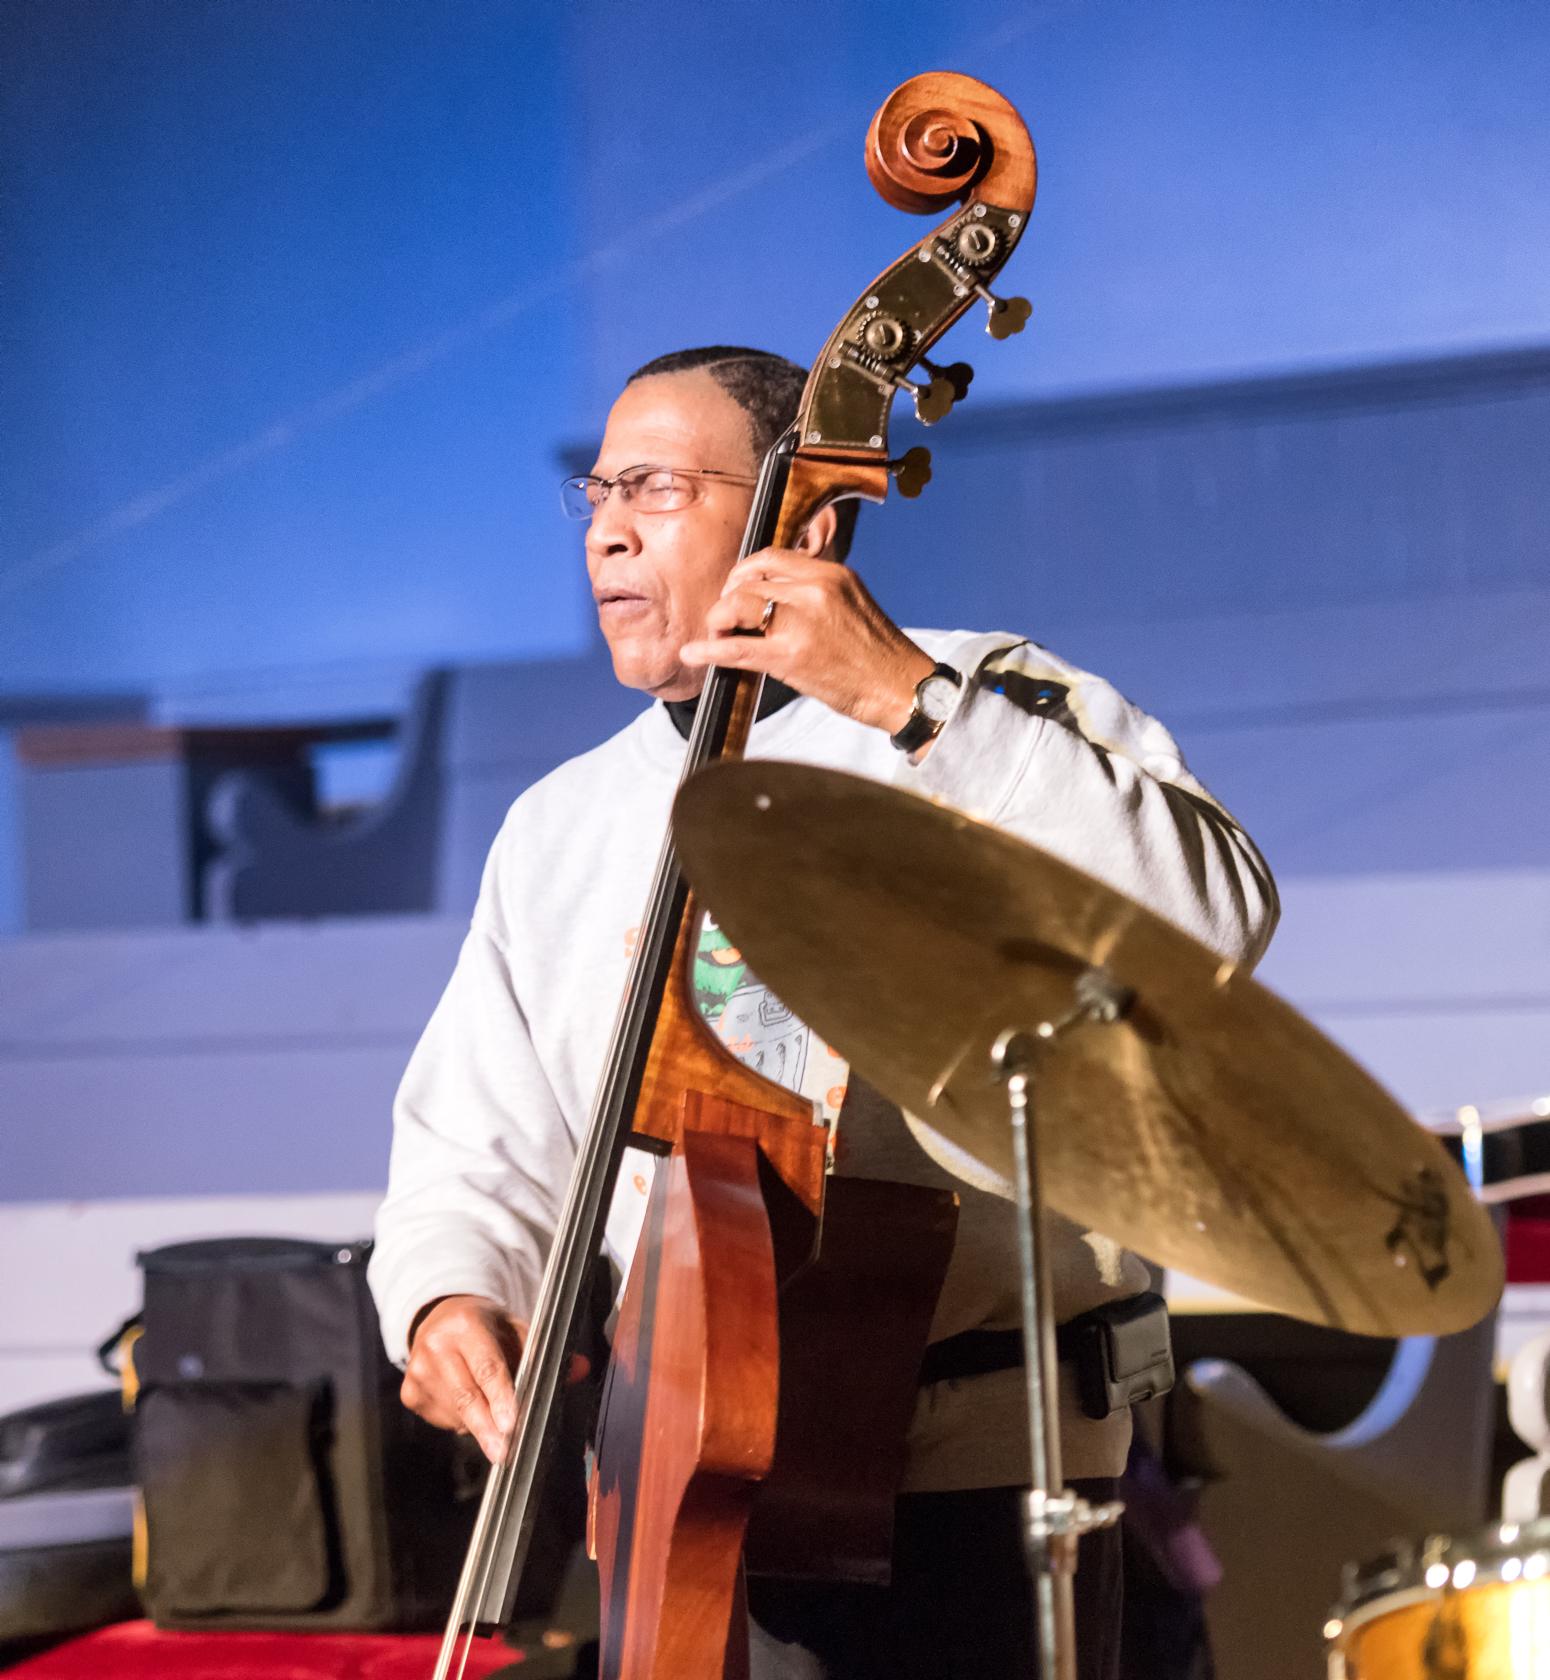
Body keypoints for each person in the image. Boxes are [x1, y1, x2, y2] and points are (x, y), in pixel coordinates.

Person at [368, 346, 1278, 1679]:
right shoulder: (557, 825)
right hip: (673, 1479)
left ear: (807, 513)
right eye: (597, 492)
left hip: (985, 1482)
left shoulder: (982, 705)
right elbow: (476, 1147)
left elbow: (1211, 919)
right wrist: (451, 1296)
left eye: (658, 487)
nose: (607, 529)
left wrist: (904, 700)